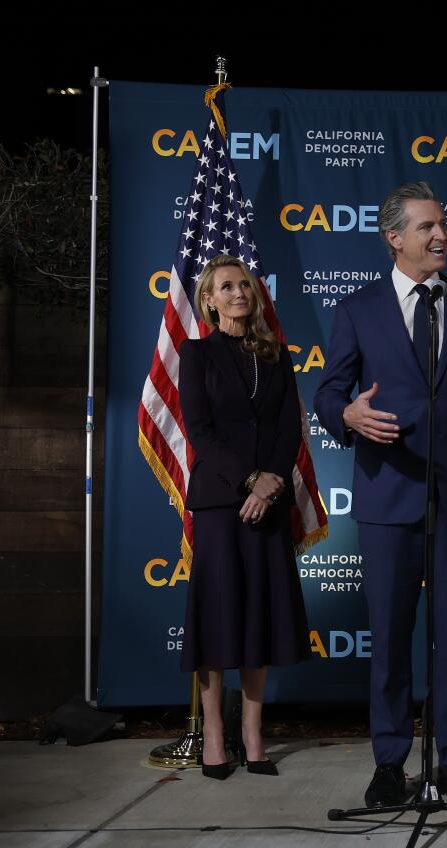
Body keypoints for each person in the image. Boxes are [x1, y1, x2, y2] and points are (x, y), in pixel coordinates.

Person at [314, 181, 447, 808]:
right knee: (389, 637)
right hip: (386, 495)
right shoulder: (356, 309)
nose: (441, 236)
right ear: (395, 238)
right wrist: (347, 417)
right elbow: (329, 392)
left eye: (444, 225)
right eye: (428, 226)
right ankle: (388, 765)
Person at [178, 253, 311, 780]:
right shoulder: (196, 354)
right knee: (217, 618)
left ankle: (254, 735)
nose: (239, 293)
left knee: (259, 616)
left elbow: (287, 428)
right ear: (209, 299)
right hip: (218, 503)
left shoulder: (277, 356)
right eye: (227, 287)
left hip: (269, 504)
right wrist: (248, 480)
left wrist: (272, 481)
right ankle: (215, 735)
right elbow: (199, 430)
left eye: (246, 286)